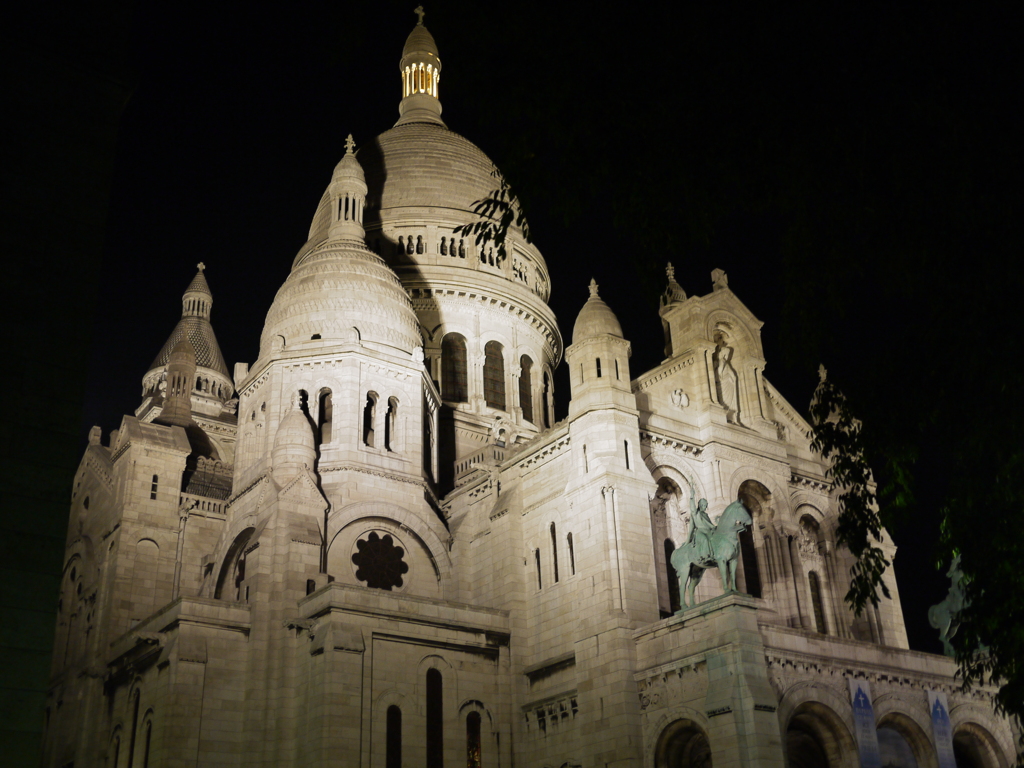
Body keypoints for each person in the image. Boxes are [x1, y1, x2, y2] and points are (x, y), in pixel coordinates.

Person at [686, 486, 715, 562]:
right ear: (699, 505)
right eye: (703, 505)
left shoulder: (706, 515)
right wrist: (692, 496)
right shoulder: (696, 513)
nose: (704, 507)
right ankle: (705, 557)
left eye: (705, 505)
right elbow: (692, 507)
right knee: (705, 540)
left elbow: (710, 524)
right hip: (700, 532)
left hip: (708, 531)